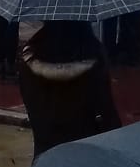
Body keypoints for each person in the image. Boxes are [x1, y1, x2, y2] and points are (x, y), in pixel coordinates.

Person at [18, 21, 122, 159]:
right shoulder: (95, 56)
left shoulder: (30, 57)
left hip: (44, 154)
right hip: (84, 154)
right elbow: (107, 113)